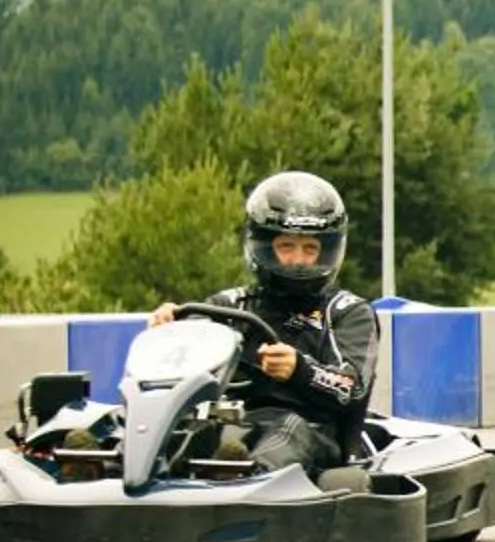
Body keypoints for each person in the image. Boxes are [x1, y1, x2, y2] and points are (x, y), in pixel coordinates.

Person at [146, 171, 378, 479]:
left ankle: (243, 477)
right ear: (264, 246)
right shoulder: (230, 305)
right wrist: (171, 328)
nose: (298, 260)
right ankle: (111, 468)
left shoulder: (348, 312)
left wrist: (300, 371)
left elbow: (350, 387)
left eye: (310, 249)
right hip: (233, 423)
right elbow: (188, 347)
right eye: (287, 247)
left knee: (288, 430)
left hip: (311, 430)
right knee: (190, 428)